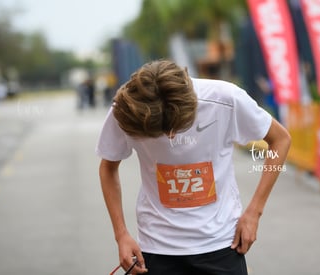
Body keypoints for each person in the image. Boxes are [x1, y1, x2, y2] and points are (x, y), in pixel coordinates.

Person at [96, 59, 291, 274]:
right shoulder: (128, 109)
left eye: (174, 129)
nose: (170, 138)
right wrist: (121, 234)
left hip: (222, 244)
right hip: (157, 247)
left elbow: (280, 140)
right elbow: (108, 167)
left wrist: (255, 212)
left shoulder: (225, 99)